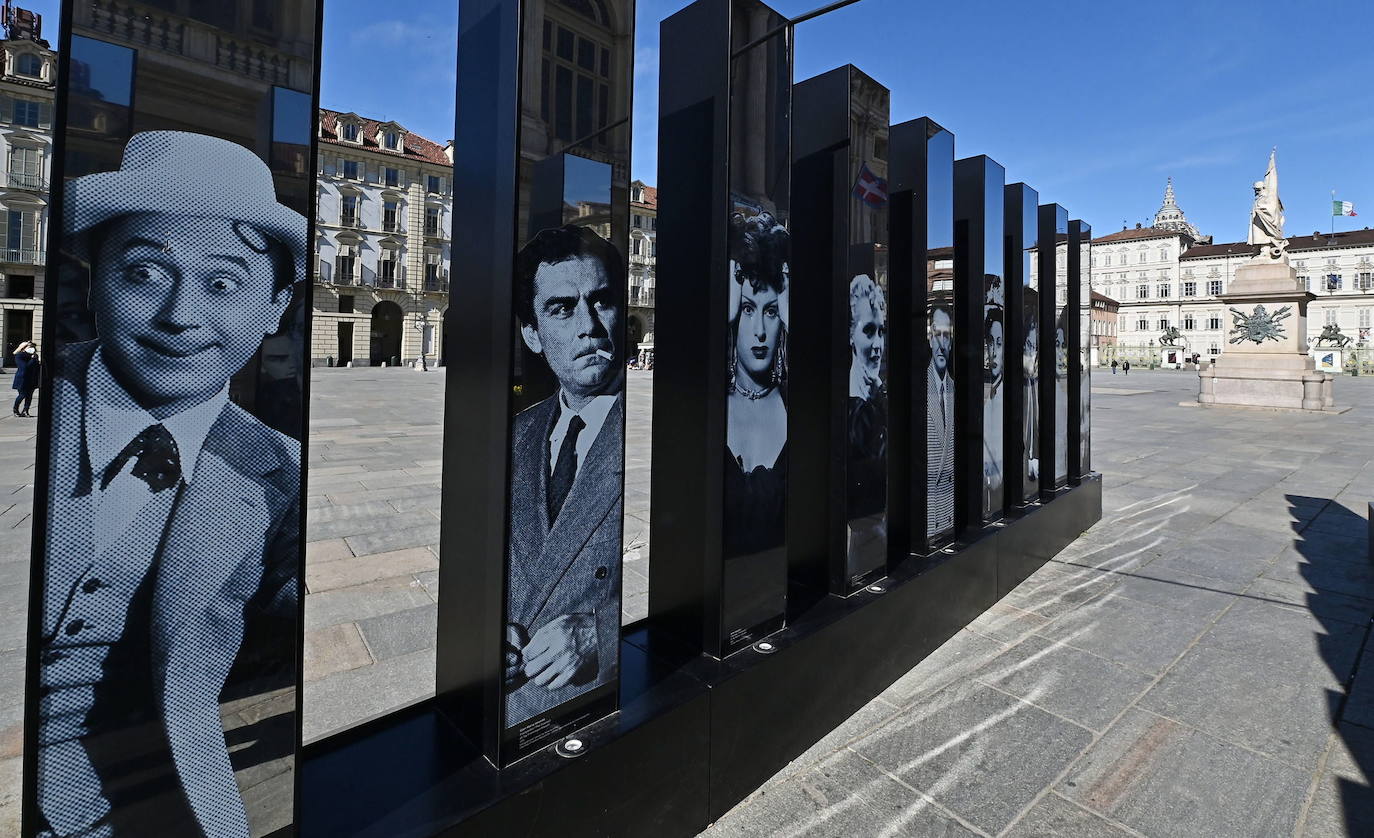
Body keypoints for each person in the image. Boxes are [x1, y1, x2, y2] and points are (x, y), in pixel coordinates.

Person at [34, 131, 305, 838]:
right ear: (91, 278)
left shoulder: (279, 469)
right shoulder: (37, 419)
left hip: (159, 806)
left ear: (276, 307)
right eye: (147, 273)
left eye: (223, 283)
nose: (181, 315)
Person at [506, 224, 625, 729]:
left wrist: (601, 634)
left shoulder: (655, 429)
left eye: (601, 302)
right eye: (561, 308)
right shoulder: (517, 434)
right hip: (512, 709)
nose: (589, 326)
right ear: (532, 333)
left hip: (601, 709)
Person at [723, 212, 789, 639]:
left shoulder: (798, 406)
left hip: (782, 615)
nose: (760, 330)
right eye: (748, 310)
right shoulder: (710, 406)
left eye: (771, 311)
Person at [847, 273, 887, 575]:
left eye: (882, 331)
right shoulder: (848, 404)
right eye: (868, 330)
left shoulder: (879, 399)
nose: (877, 344)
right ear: (851, 334)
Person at [927, 303, 955, 540]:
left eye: (947, 335)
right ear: (929, 338)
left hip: (949, 517)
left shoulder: (954, 389)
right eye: (937, 334)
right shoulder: (919, 386)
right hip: (926, 516)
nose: (942, 342)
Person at [12, 339, 39, 416]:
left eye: (32, 347)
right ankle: (15, 409)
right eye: (29, 346)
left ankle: (25, 410)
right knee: (22, 394)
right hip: (22, 379)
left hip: (32, 379)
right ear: (23, 348)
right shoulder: (19, 356)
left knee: (29, 396)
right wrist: (33, 360)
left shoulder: (34, 356)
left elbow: (36, 368)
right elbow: (25, 368)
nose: (32, 348)